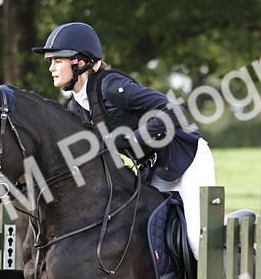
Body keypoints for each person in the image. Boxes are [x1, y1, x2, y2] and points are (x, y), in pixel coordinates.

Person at [33, 21, 215, 257]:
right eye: (51, 62)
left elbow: (173, 111)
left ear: (80, 62)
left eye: (57, 61)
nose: (51, 68)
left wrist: (133, 139)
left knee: (197, 241)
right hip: (154, 171)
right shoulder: (75, 109)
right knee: (149, 237)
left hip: (186, 159)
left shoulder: (111, 86)